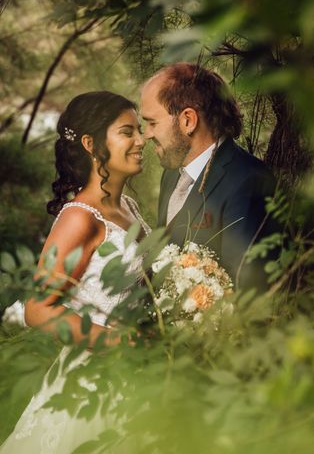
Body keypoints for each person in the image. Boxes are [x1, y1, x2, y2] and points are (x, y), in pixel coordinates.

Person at [0, 91, 151, 453]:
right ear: (91, 144)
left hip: (139, 372)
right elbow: (39, 309)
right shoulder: (79, 217)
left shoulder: (127, 204)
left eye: (140, 130)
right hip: (93, 380)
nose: (141, 141)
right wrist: (116, 343)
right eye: (127, 132)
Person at [140, 62, 277, 290]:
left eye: (152, 123)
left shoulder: (249, 181)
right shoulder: (171, 175)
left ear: (188, 120)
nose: (146, 135)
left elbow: (247, 289)